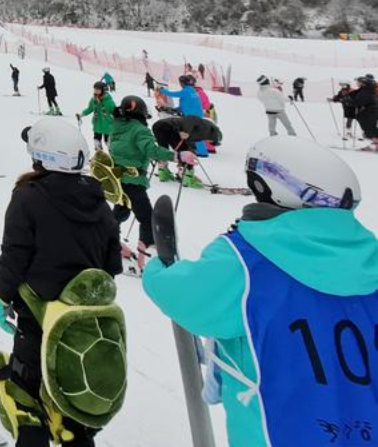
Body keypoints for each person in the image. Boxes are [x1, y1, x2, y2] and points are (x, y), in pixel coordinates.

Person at [143, 137, 376, 447]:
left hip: (278, 434)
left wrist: (158, 268)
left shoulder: (245, 260)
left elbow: (183, 295)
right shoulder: (370, 256)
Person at [0, 118, 121, 447]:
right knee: (73, 406)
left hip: (37, 314)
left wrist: (1, 295)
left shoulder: (27, 197)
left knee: (26, 397)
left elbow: (14, 254)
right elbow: (111, 265)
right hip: (81, 323)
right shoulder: (99, 201)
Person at [108, 95, 174, 273]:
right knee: (147, 218)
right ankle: (144, 259)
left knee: (120, 212)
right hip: (133, 181)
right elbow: (151, 150)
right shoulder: (139, 130)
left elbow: (117, 151)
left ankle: (109, 242)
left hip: (118, 180)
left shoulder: (116, 128)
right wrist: (176, 156)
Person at [161, 74, 211, 161]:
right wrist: (178, 109)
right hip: (197, 114)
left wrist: (163, 91)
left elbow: (173, 94)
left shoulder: (186, 91)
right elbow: (188, 102)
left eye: (180, 82)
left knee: (190, 133)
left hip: (192, 116)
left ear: (183, 83)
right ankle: (202, 151)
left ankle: (200, 152)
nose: (180, 84)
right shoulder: (192, 90)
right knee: (195, 132)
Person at [78, 82, 115, 148]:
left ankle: (112, 151)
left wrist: (116, 117)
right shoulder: (93, 100)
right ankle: (98, 151)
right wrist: (82, 114)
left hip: (107, 124)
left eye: (98, 90)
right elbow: (89, 109)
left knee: (108, 142)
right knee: (96, 141)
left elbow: (114, 110)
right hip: (97, 123)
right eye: (95, 89)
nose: (95, 91)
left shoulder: (108, 101)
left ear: (103, 90)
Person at [355, 74, 377, 151]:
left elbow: (362, 100)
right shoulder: (368, 88)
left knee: (370, 129)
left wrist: (350, 102)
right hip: (370, 110)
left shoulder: (370, 89)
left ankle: (375, 144)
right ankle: (375, 144)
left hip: (372, 111)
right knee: (369, 129)